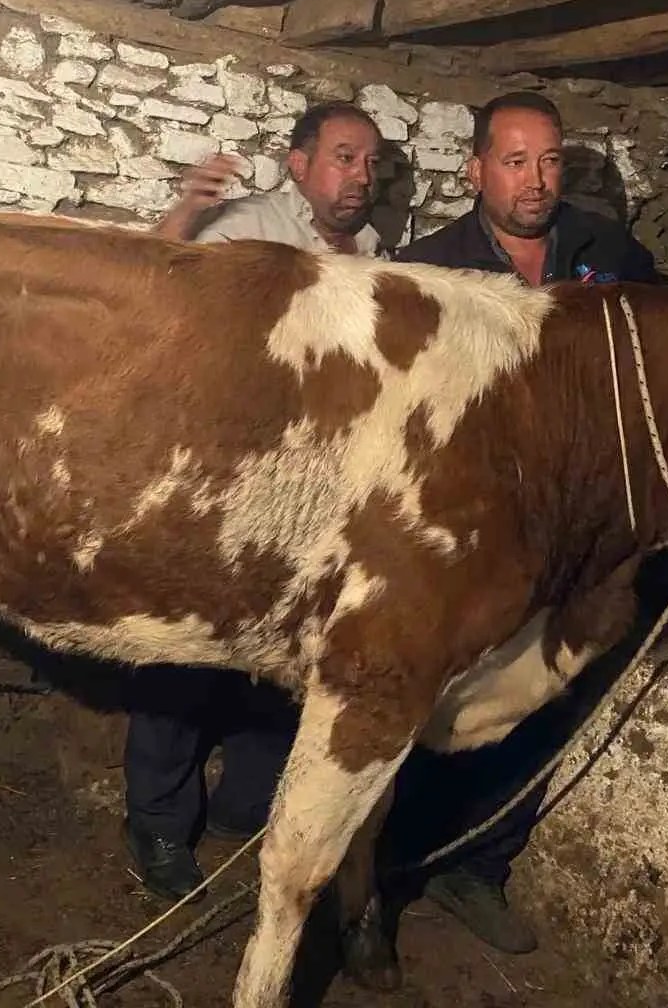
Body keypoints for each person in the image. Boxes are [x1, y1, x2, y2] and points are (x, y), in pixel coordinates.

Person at [386, 90, 663, 955]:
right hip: (464, 520)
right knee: (435, 691)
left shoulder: (607, 250)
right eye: (515, 161)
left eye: (548, 160)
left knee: (543, 685)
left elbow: (663, 344)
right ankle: (387, 871)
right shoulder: (429, 267)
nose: (536, 181)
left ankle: (481, 865)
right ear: (475, 170)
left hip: (576, 515)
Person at [122, 100, 386, 901]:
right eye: (344, 157)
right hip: (218, 476)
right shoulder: (247, 224)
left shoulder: (379, 255)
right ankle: (159, 825)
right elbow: (145, 288)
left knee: (286, 658)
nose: (360, 177)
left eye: (370, 163)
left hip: (315, 490)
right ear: (299, 163)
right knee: (180, 653)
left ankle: (242, 809)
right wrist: (179, 215)